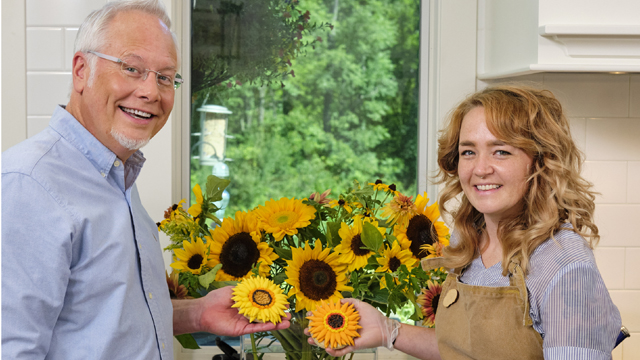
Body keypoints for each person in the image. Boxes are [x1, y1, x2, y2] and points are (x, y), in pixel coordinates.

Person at [1, 1, 289, 359]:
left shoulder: (118, 176)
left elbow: (107, 323)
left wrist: (198, 312)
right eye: (132, 68)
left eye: (165, 77)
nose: (151, 92)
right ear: (81, 70)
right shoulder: (29, 184)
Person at [313, 85, 622, 359]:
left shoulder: (564, 264)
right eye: (469, 151)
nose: (481, 168)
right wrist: (388, 330)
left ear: (541, 162)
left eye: (501, 151)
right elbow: (464, 350)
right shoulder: (469, 245)